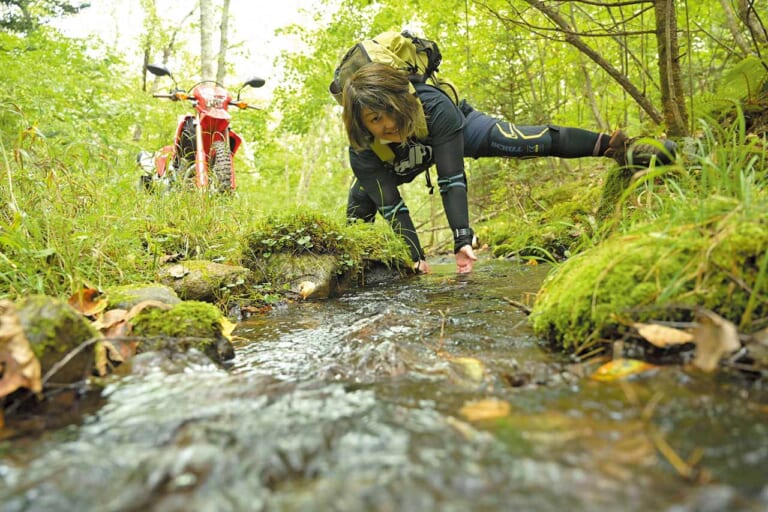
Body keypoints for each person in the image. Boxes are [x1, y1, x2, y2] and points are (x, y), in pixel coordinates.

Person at [341, 62, 677, 274]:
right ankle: (353, 268)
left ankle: (620, 148)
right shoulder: (363, 151)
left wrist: (462, 238)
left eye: (390, 111)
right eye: (375, 119)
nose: (388, 124)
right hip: (398, 161)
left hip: (452, 134)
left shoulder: (433, 105)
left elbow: (451, 178)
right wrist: (415, 259)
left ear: (403, 100)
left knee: (518, 139)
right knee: (360, 207)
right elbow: (394, 207)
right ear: (361, 124)